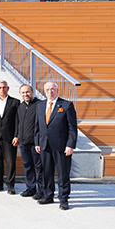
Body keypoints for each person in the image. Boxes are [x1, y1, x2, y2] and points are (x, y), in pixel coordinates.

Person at [34, 82, 77, 210]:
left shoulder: (67, 105)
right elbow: (37, 126)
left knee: (63, 174)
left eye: (52, 89)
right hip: (44, 145)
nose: (50, 91)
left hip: (61, 147)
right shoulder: (40, 105)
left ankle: (63, 199)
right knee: (46, 172)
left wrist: (70, 145)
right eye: (47, 89)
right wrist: (37, 142)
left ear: (57, 90)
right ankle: (48, 195)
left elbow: (72, 128)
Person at [14, 84, 43, 200]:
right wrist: (17, 136)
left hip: (36, 144)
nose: (25, 94)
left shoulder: (40, 105)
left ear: (32, 92)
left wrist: (39, 141)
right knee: (27, 166)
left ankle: (41, 190)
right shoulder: (21, 107)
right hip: (23, 142)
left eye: (27, 92)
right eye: (23, 92)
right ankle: (31, 188)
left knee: (40, 167)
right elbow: (19, 123)